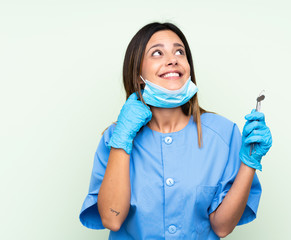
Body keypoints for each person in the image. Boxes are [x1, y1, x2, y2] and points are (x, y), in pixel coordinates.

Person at [79, 22, 272, 239]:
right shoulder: (114, 138)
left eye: (179, 51)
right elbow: (112, 219)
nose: (173, 59)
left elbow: (222, 227)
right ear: (136, 75)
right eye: (157, 53)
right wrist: (122, 140)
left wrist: (249, 163)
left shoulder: (223, 134)